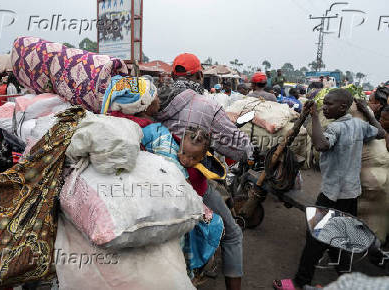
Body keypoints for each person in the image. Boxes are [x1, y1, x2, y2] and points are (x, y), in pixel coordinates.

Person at [157, 53, 253, 290]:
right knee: (233, 234)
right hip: (191, 183)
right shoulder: (207, 104)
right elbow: (239, 147)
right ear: (200, 76)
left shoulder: (155, 100)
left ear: (172, 76)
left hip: (155, 179)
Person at [274, 89, 386, 290]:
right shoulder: (359, 125)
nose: (325, 107)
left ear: (343, 107)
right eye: (323, 104)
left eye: (329, 104)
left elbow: (321, 145)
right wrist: (369, 114)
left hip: (332, 195)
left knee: (315, 239)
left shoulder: (335, 129)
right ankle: (344, 278)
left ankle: (300, 282)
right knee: (342, 239)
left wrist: (315, 116)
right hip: (351, 194)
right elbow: (380, 132)